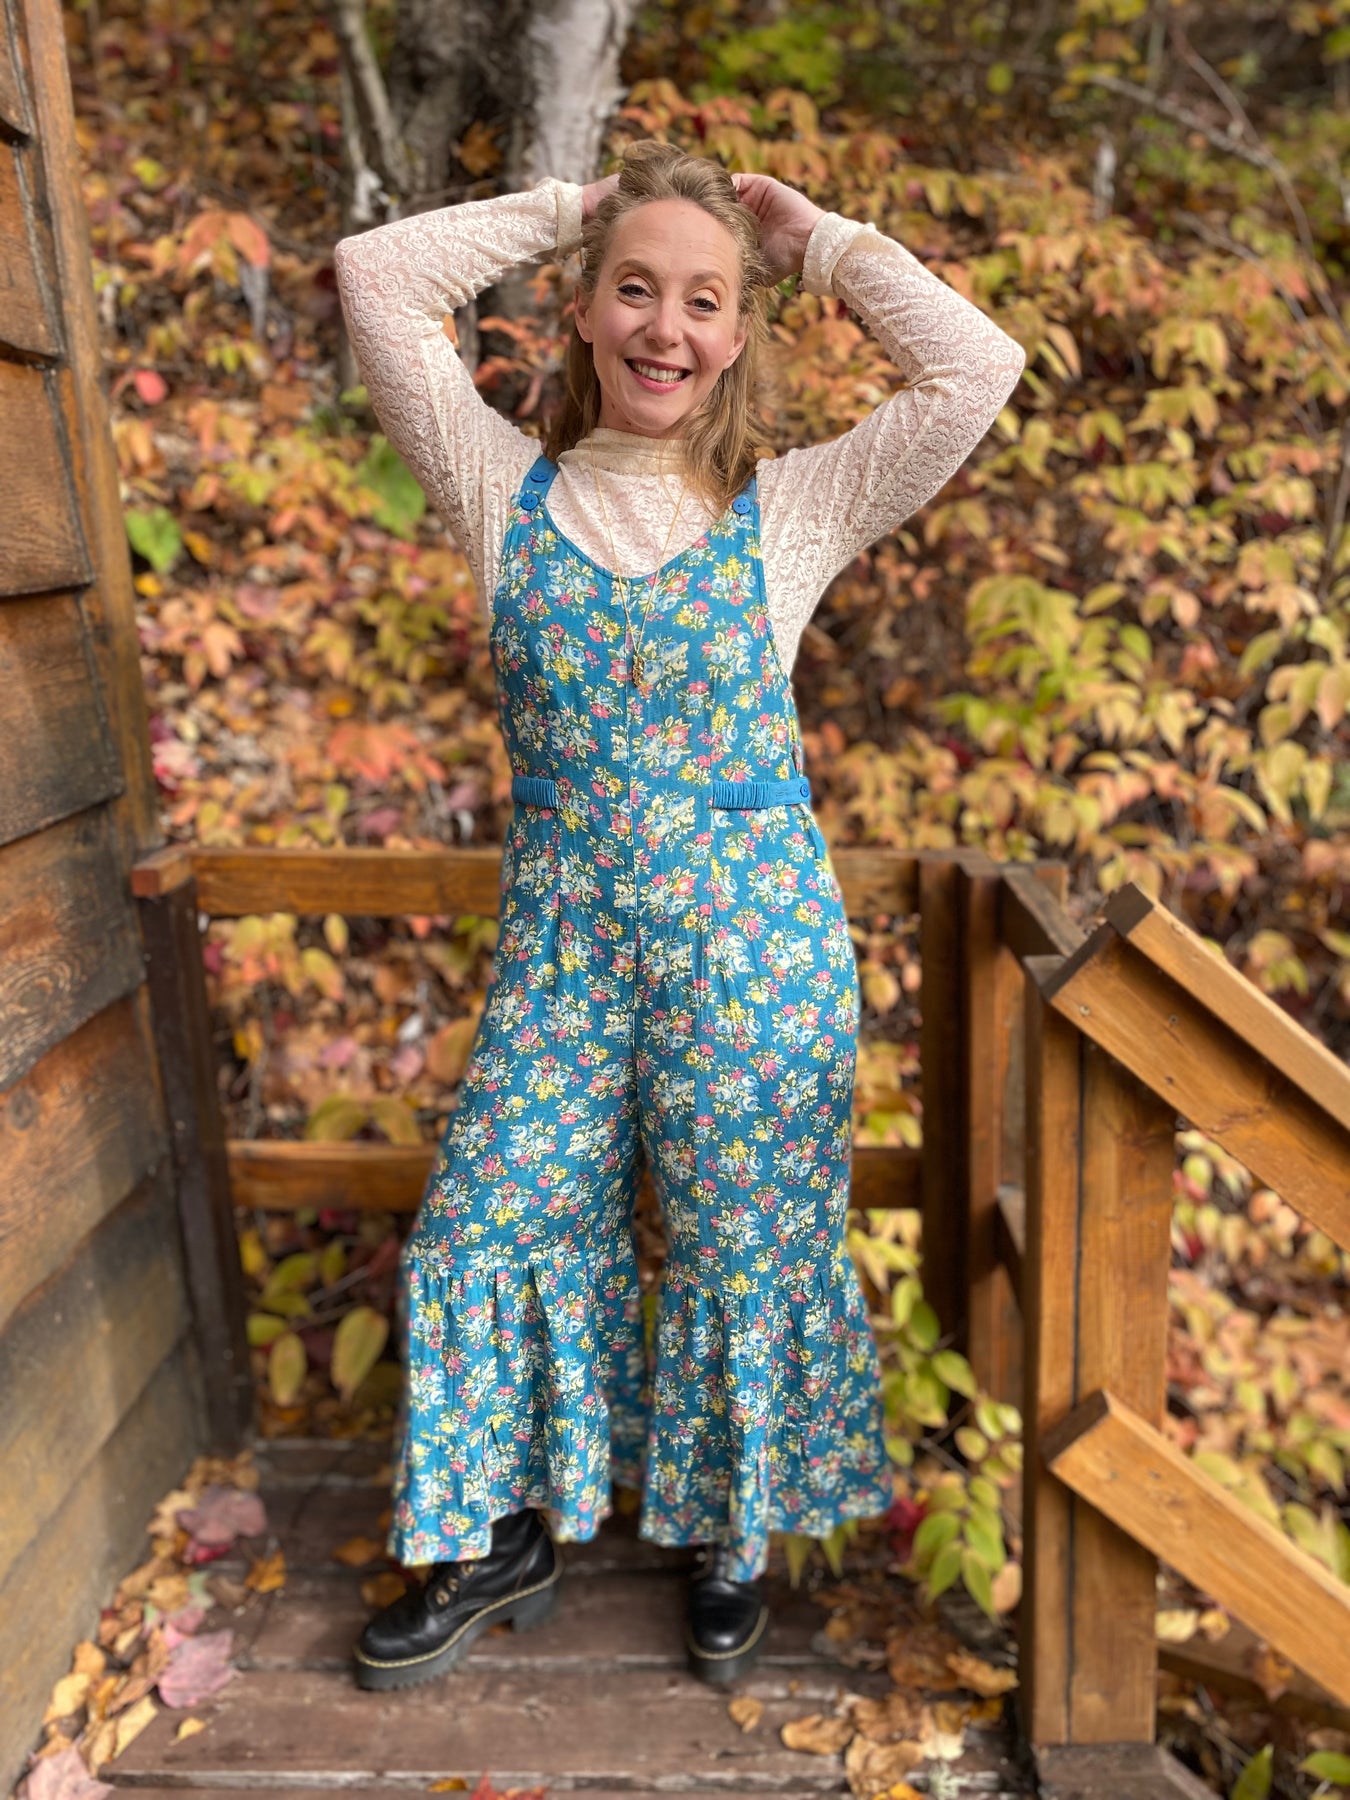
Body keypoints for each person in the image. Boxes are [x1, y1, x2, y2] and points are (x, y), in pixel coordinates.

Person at [332, 138, 1025, 1692]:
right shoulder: (495, 486)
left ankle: (729, 1539)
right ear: (580, 308)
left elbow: (975, 367)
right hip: (563, 963)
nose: (666, 327)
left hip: (750, 962)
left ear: (736, 331)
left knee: (742, 1243)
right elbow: (374, 280)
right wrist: (564, 209)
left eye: (704, 300)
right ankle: (501, 1537)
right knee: (487, 1217)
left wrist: (817, 239)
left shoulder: (792, 510)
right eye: (634, 290)